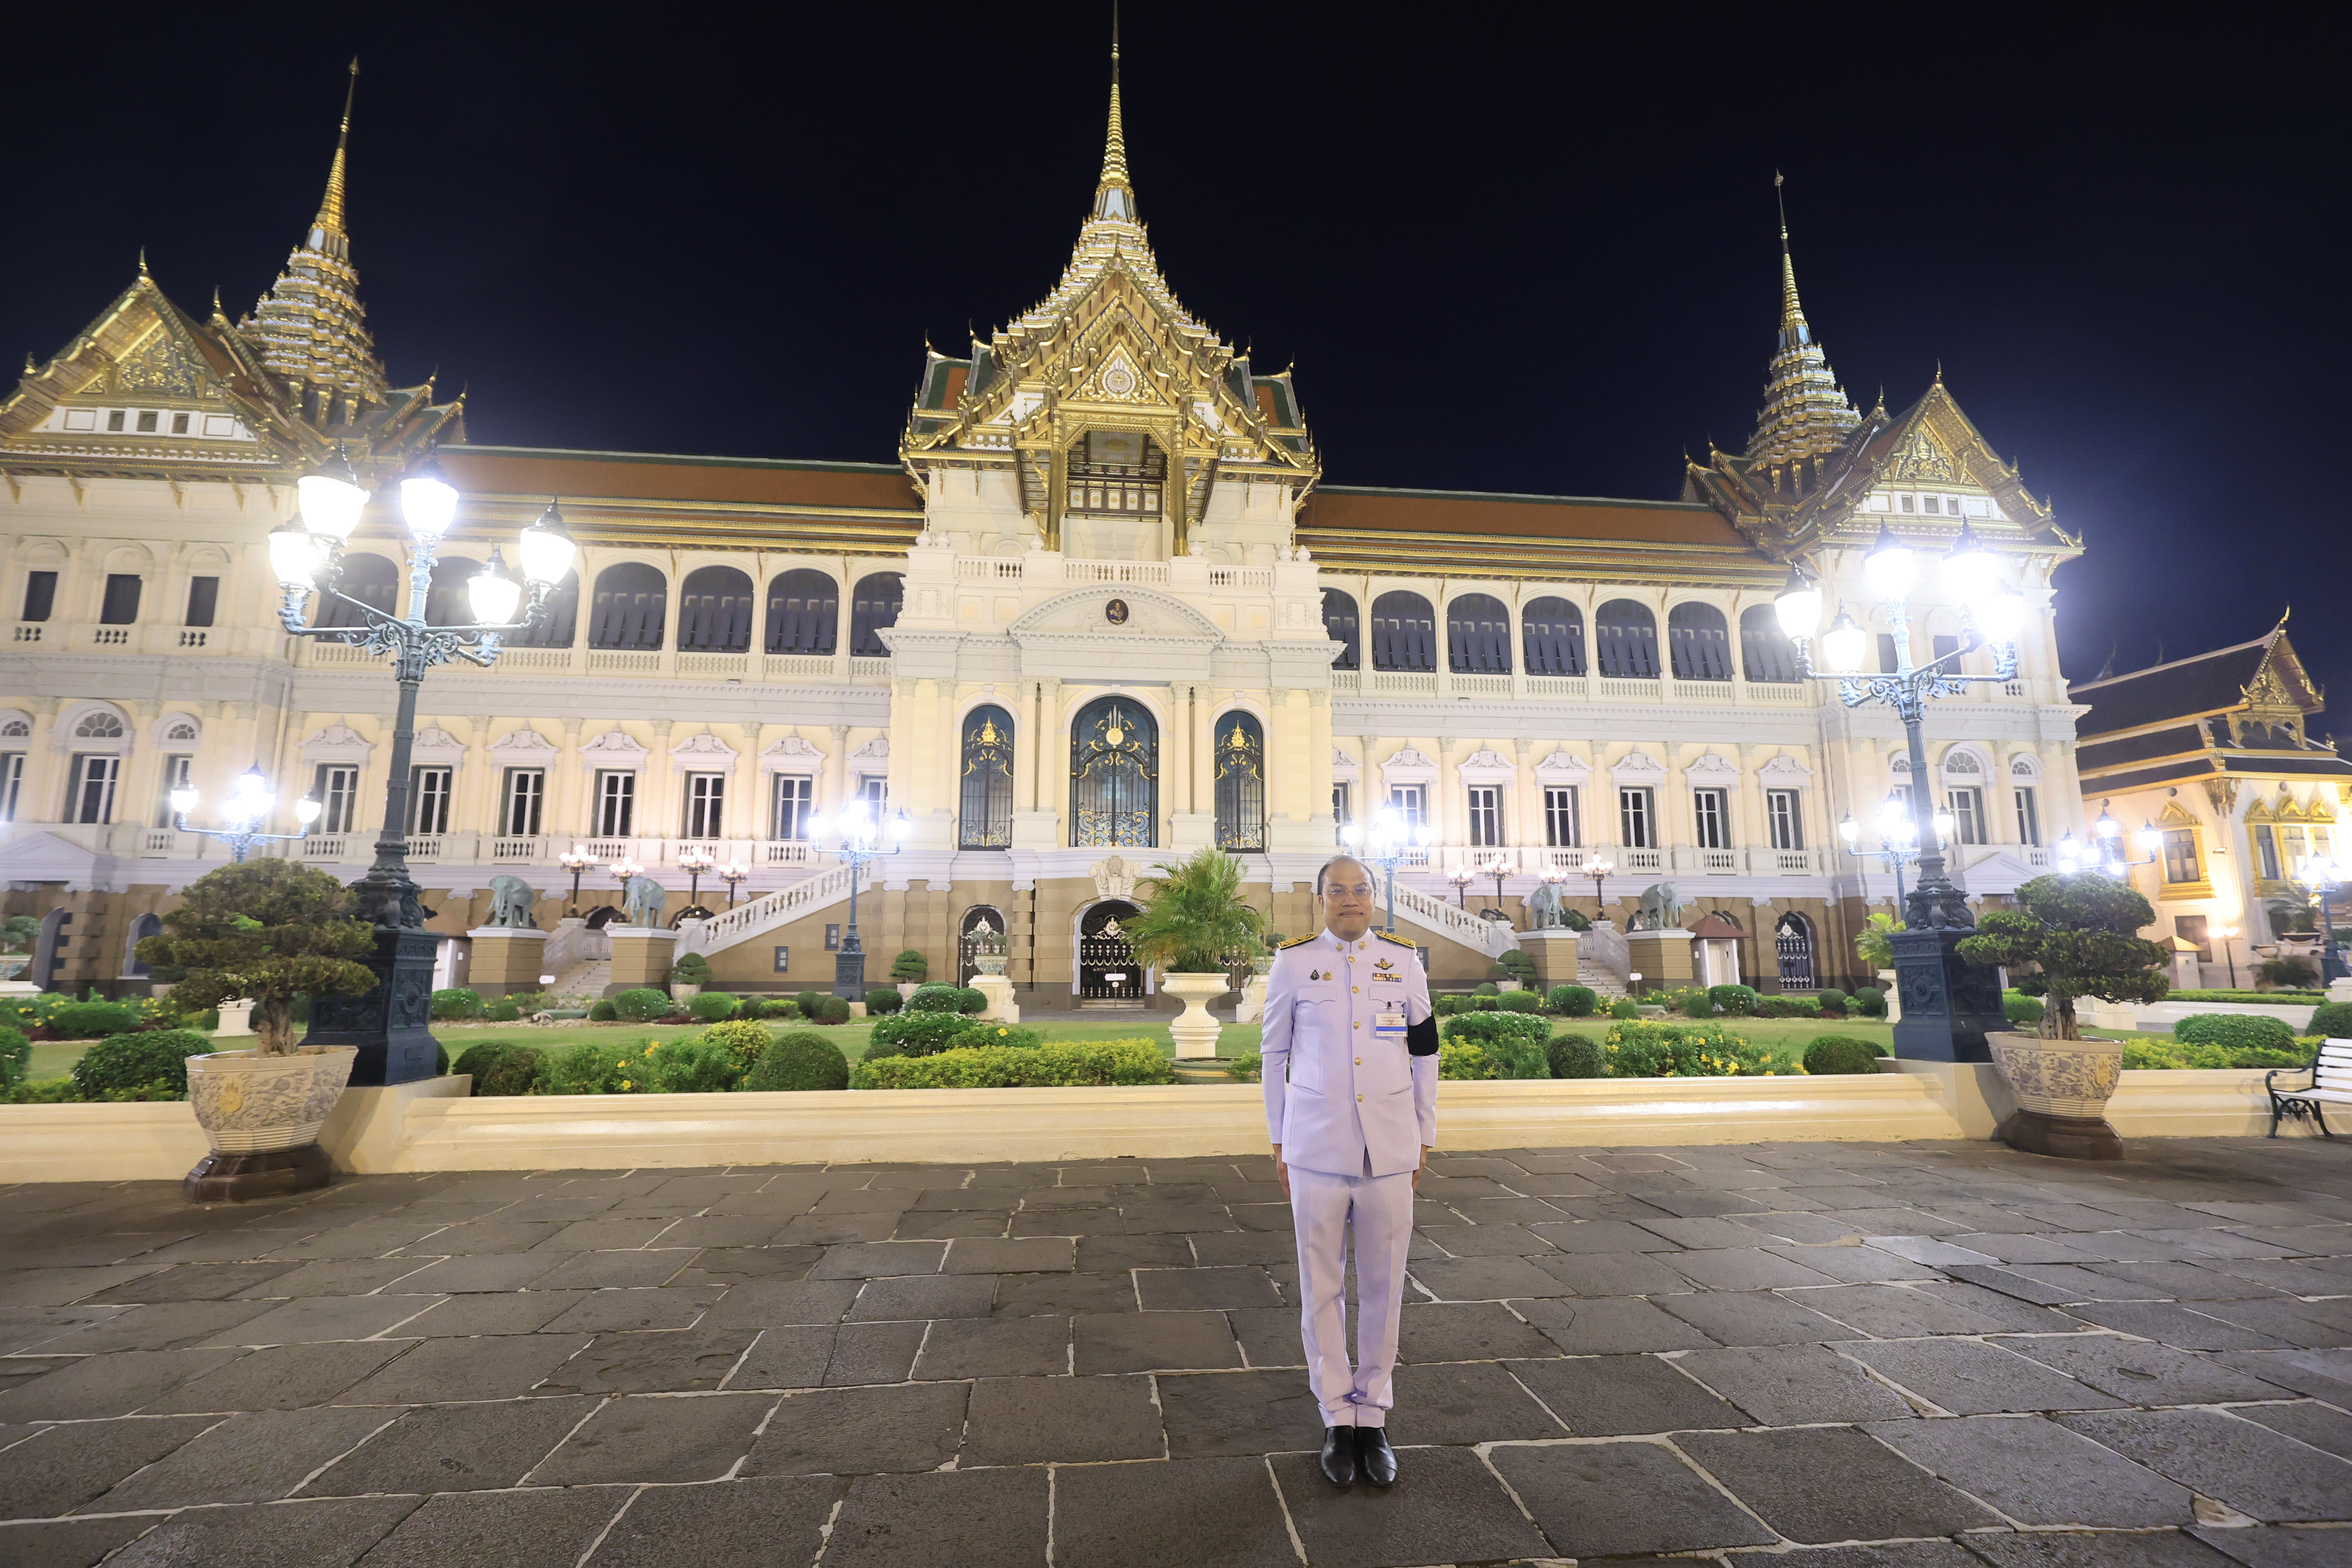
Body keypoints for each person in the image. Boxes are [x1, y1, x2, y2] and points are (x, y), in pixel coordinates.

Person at [1261, 854, 1437, 1488]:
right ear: (1321, 900)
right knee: (1322, 1286)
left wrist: (1425, 1133)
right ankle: (1338, 1413)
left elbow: (1424, 1051)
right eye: (1338, 891)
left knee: (1386, 1287)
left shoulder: (1404, 959)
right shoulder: (1293, 963)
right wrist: (1280, 1138)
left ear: (1372, 897)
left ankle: (1374, 1414)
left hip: (1390, 1146)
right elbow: (1273, 1053)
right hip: (1316, 1146)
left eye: (1360, 890)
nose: (1350, 900)